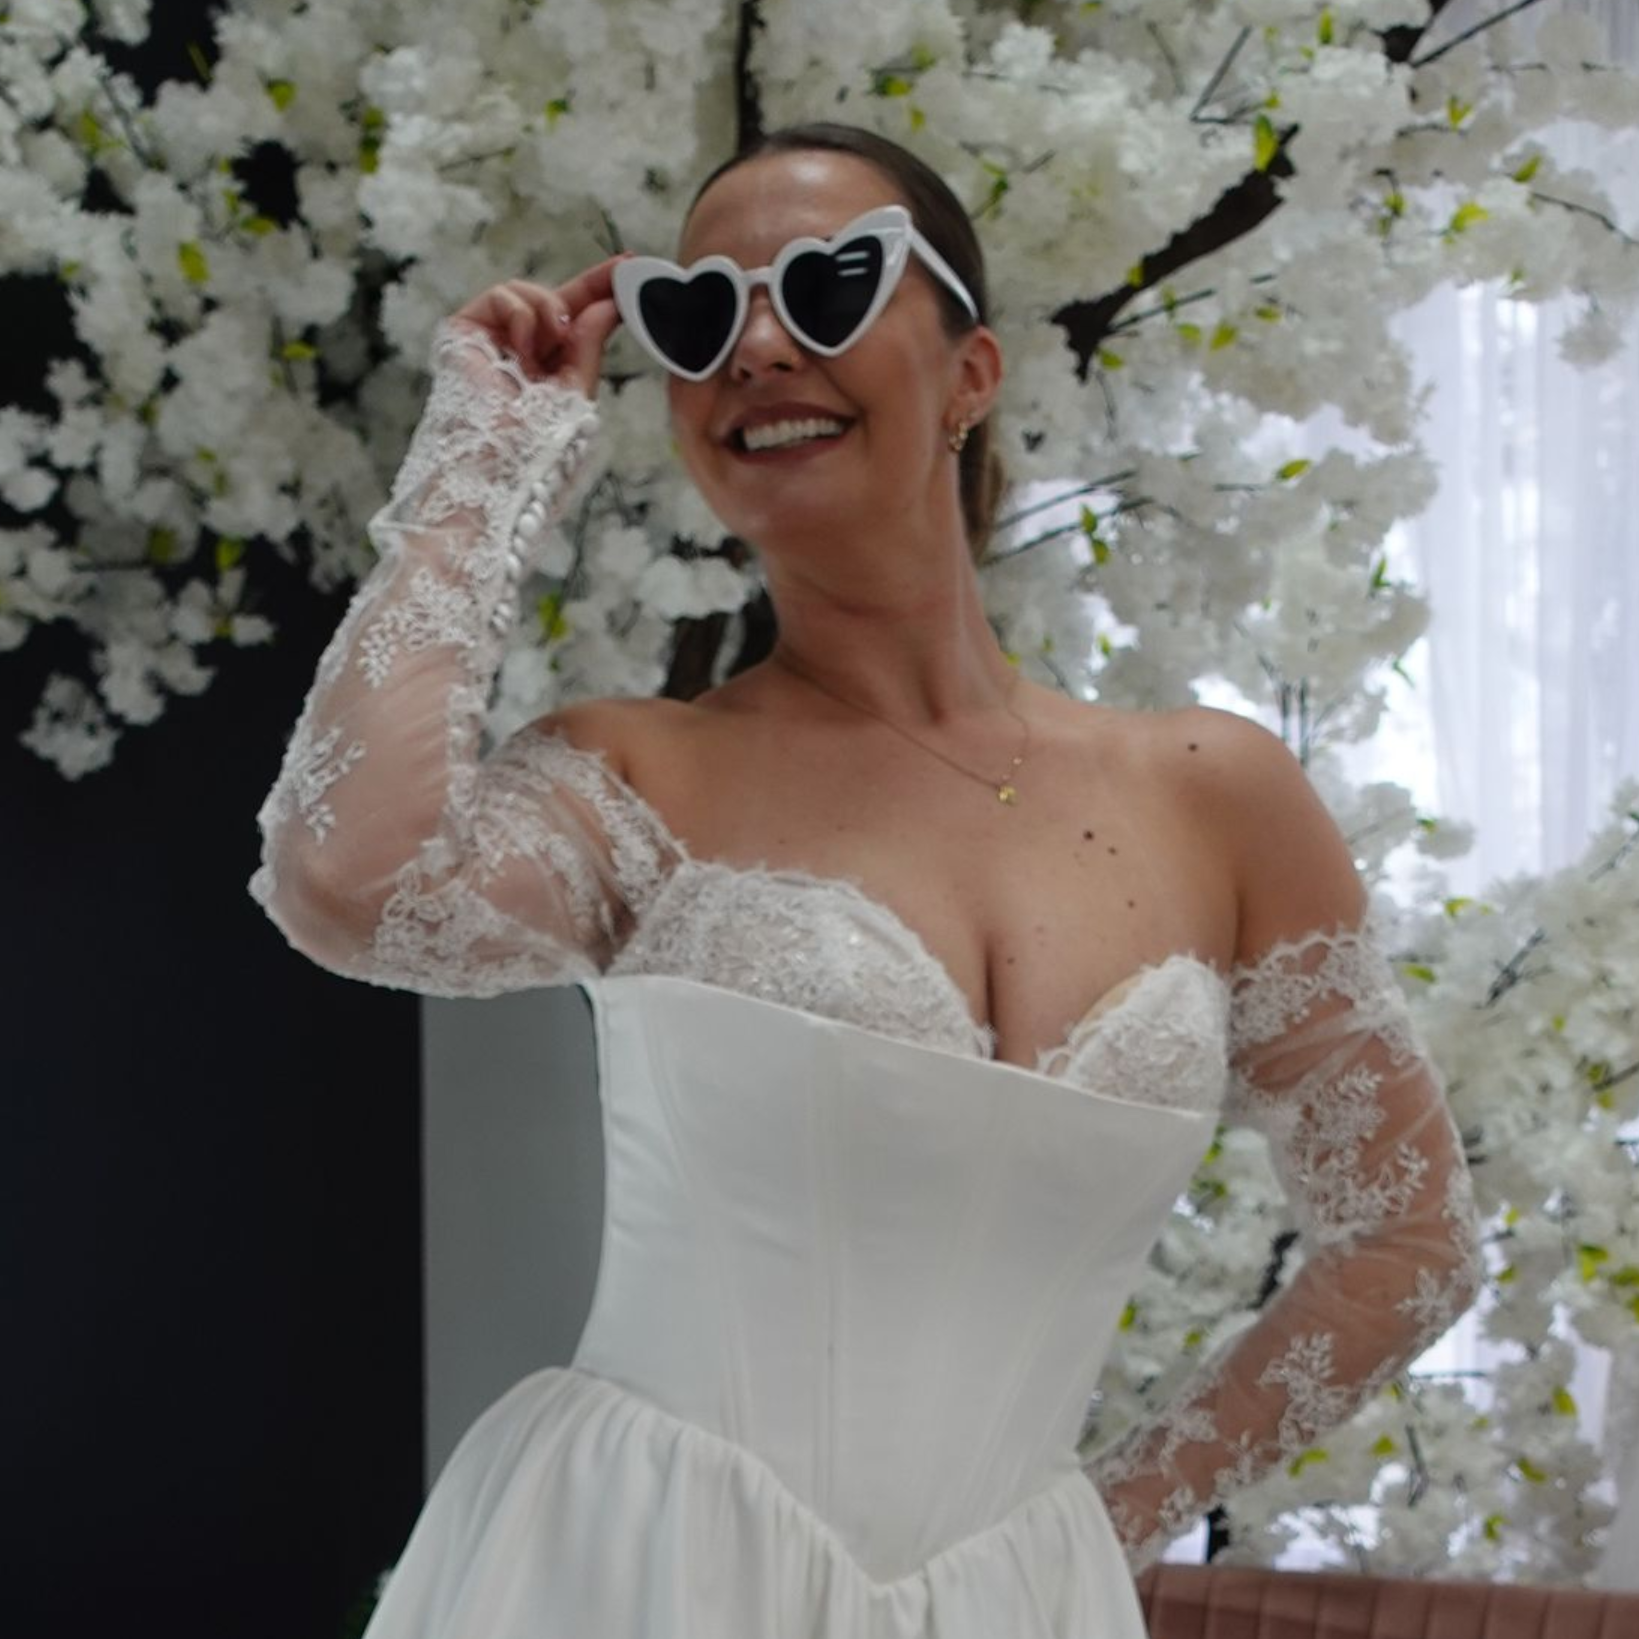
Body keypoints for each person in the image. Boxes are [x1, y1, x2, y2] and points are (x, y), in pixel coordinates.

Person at [250, 122, 1484, 1639]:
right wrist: (480, 466)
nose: (758, 346)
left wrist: (1098, 1521)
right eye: (697, 317)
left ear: (971, 373)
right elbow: (346, 883)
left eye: (828, 287)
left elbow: (1409, 1238)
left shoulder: (1213, 794)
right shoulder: (638, 775)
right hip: (629, 1572)